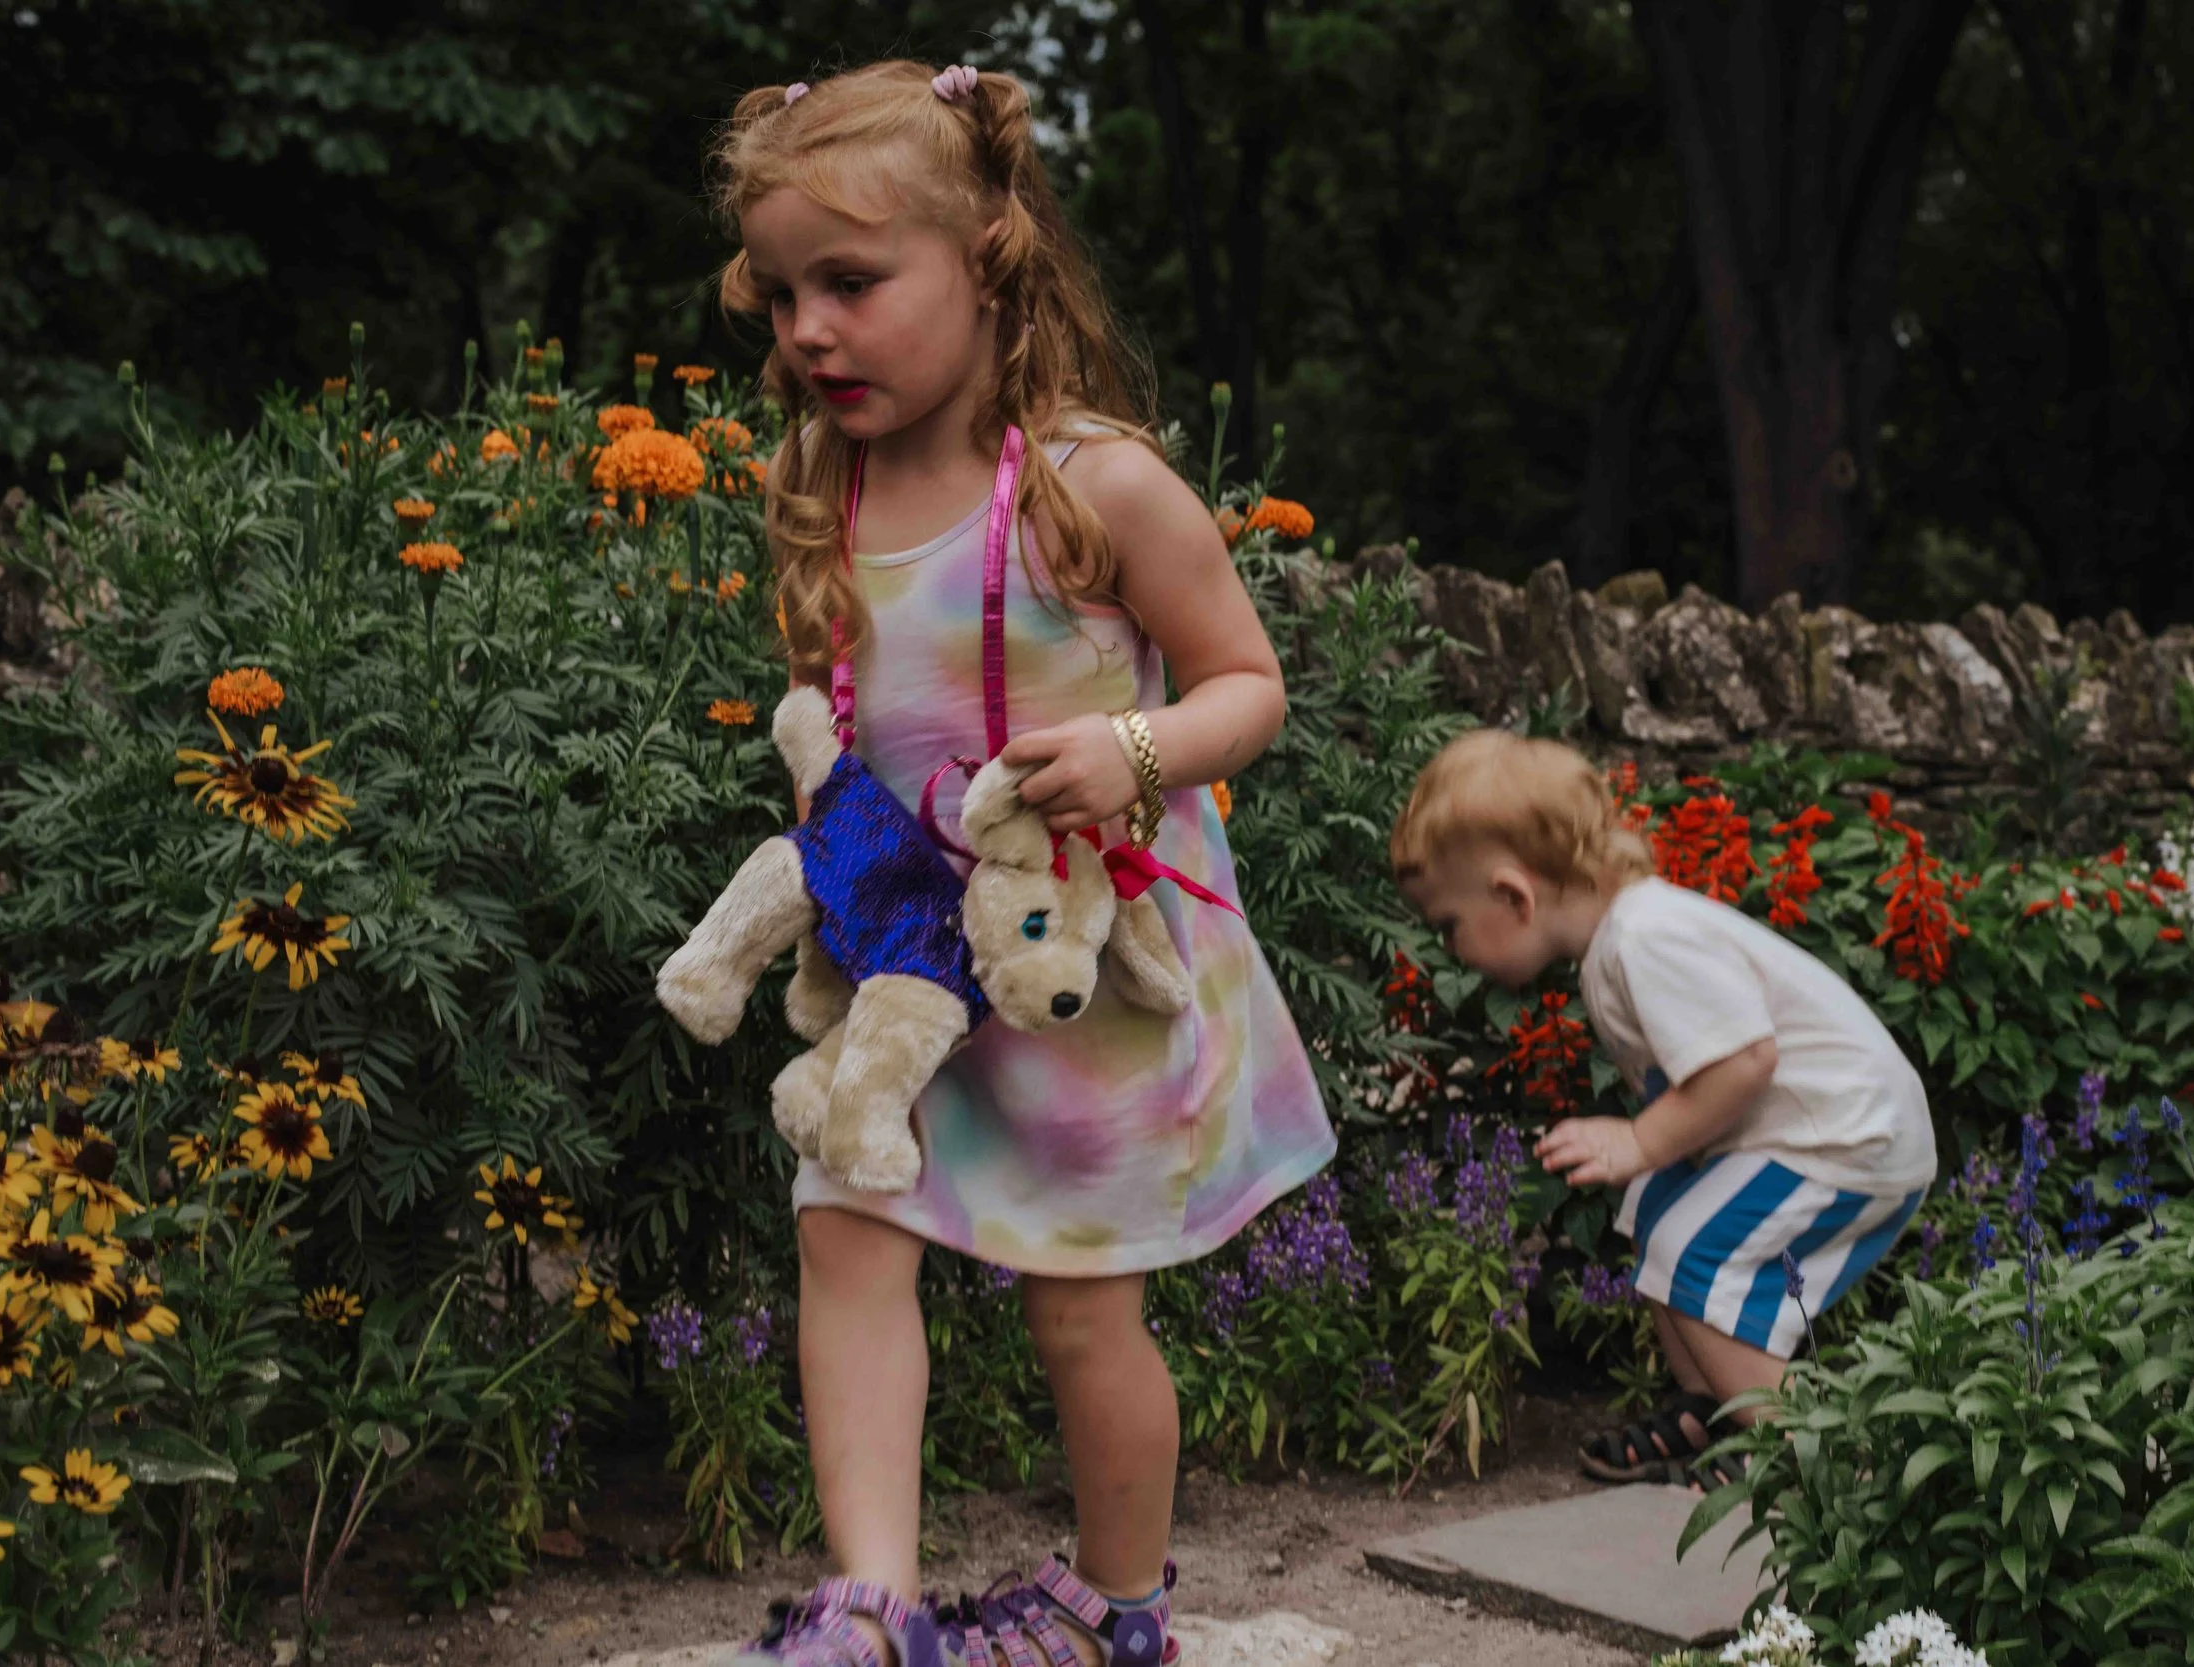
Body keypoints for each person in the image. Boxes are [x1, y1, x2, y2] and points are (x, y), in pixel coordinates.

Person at [712, 60, 1336, 1667]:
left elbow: (1247, 686)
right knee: (844, 1226)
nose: (808, 329)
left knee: (1082, 1302)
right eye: (781, 294)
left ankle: (1123, 1605)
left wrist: (1132, 752)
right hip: (912, 963)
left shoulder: (1092, 484)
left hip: (1083, 972)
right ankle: (871, 1601)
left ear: (989, 257)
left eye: (851, 282)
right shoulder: (816, 488)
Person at [1390, 730, 1934, 1490]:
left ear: (1514, 895)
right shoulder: (1621, 940)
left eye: (1448, 923)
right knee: (1656, 1211)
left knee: (1691, 1248)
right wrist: (1651, 1154)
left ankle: (1814, 1453)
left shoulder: (1647, 937)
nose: (1448, 946)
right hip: (1811, 1130)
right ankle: (1710, 1409)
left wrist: (1640, 1138)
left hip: (1847, 1135)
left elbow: (1744, 1060)